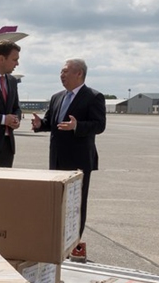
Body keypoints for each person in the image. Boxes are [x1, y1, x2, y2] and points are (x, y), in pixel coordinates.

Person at [31, 59, 106, 262]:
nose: (61, 75)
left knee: (76, 204)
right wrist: (40, 124)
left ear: (79, 73)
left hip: (79, 161)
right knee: (57, 202)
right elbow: (51, 123)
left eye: (65, 71)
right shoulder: (57, 97)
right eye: (61, 72)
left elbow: (99, 125)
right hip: (56, 159)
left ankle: (74, 244)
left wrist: (77, 126)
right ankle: (57, 241)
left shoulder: (93, 97)